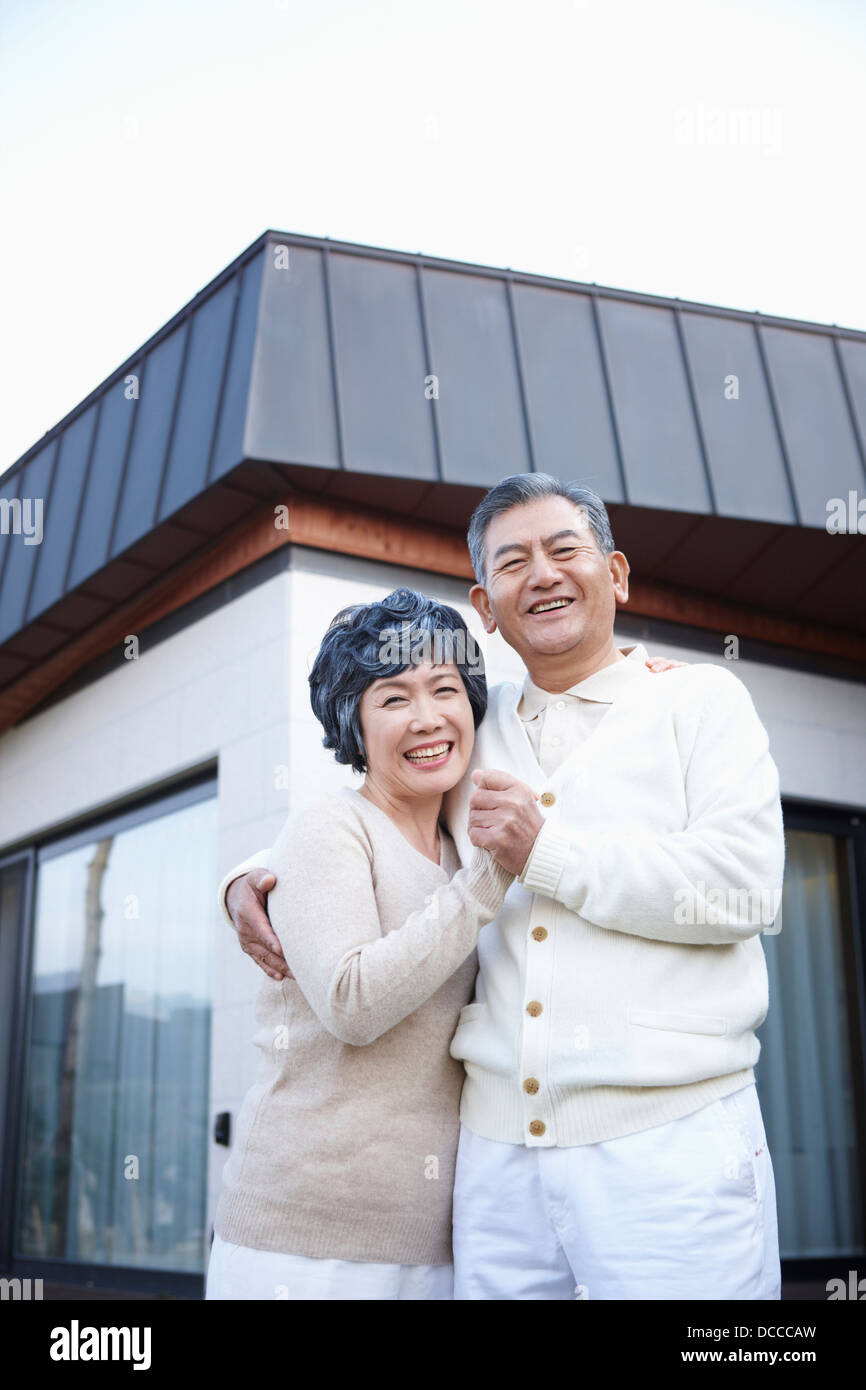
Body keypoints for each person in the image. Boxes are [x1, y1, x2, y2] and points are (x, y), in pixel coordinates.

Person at [222, 472, 784, 1300]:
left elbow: (745, 892)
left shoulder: (699, 701)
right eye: (514, 563)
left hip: (669, 1142)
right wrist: (247, 882)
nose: (544, 574)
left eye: (566, 551)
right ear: (486, 607)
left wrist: (548, 853)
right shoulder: (469, 723)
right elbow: (364, 805)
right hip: (492, 1161)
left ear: (617, 575)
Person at [206, 589, 517, 1300]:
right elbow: (351, 1001)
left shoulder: (453, 844)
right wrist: (484, 884)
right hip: (302, 1246)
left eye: (446, 690)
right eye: (394, 698)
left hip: (433, 1243)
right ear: (354, 720)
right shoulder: (332, 826)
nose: (428, 717)